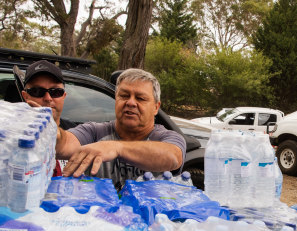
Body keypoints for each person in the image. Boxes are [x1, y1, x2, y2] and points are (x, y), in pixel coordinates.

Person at [56, 68, 186, 190]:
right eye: (124, 95)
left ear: (156, 107)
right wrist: (50, 132)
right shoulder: (94, 132)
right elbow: (64, 144)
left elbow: (173, 157)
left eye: (140, 98)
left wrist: (116, 148)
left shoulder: (167, 138)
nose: (130, 102)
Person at [21, 60, 67, 176]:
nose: (48, 98)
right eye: (38, 91)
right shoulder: (15, 138)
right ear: (25, 96)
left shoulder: (76, 135)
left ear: (64, 96)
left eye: (55, 92)